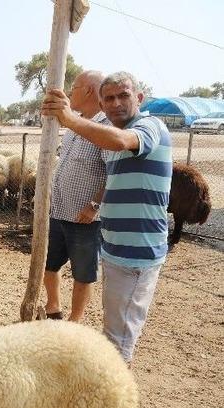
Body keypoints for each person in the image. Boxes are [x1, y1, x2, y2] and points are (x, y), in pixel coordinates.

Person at [42, 71, 172, 362]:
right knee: (114, 328)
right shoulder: (109, 134)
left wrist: (70, 119)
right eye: (109, 98)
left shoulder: (148, 126)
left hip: (136, 253)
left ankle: (111, 402)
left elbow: (123, 141)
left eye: (123, 96)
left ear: (139, 98)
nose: (115, 103)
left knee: (118, 339)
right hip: (116, 248)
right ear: (101, 102)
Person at [43, 70, 108, 322]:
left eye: (75, 87)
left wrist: (93, 206)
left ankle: (75, 320)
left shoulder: (104, 128)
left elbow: (111, 173)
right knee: (49, 265)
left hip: (85, 218)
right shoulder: (73, 125)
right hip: (59, 211)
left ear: (90, 90)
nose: (71, 92)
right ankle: (53, 307)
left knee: (83, 273)